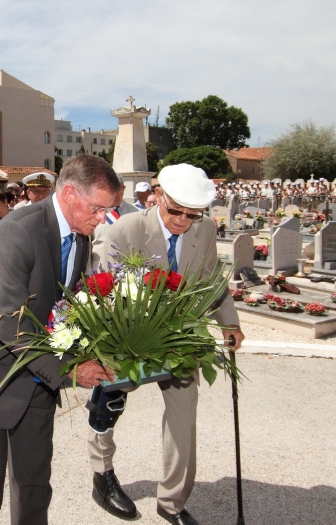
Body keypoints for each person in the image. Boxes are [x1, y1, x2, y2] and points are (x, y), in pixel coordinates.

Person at [0, 154, 119, 524]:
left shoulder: (80, 236)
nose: (103, 218)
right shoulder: (17, 231)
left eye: (109, 210)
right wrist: (73, 370)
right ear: (69, 193)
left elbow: (63, 308)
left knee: (35, 485)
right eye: (98, 208)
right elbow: (10, 322)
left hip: (39, 380)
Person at [88, 163, 245, 525]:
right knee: (108, 403)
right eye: (175, 210)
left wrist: (230, 323)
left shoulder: (204, 230)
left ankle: (172, 501)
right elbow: (102, 287)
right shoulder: (125, 230)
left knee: (183, 418)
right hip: (130, 337)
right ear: (158, 195)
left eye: (193, 214)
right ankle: (102, 473)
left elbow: (209, 279)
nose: (183, 220)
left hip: (181, 339)